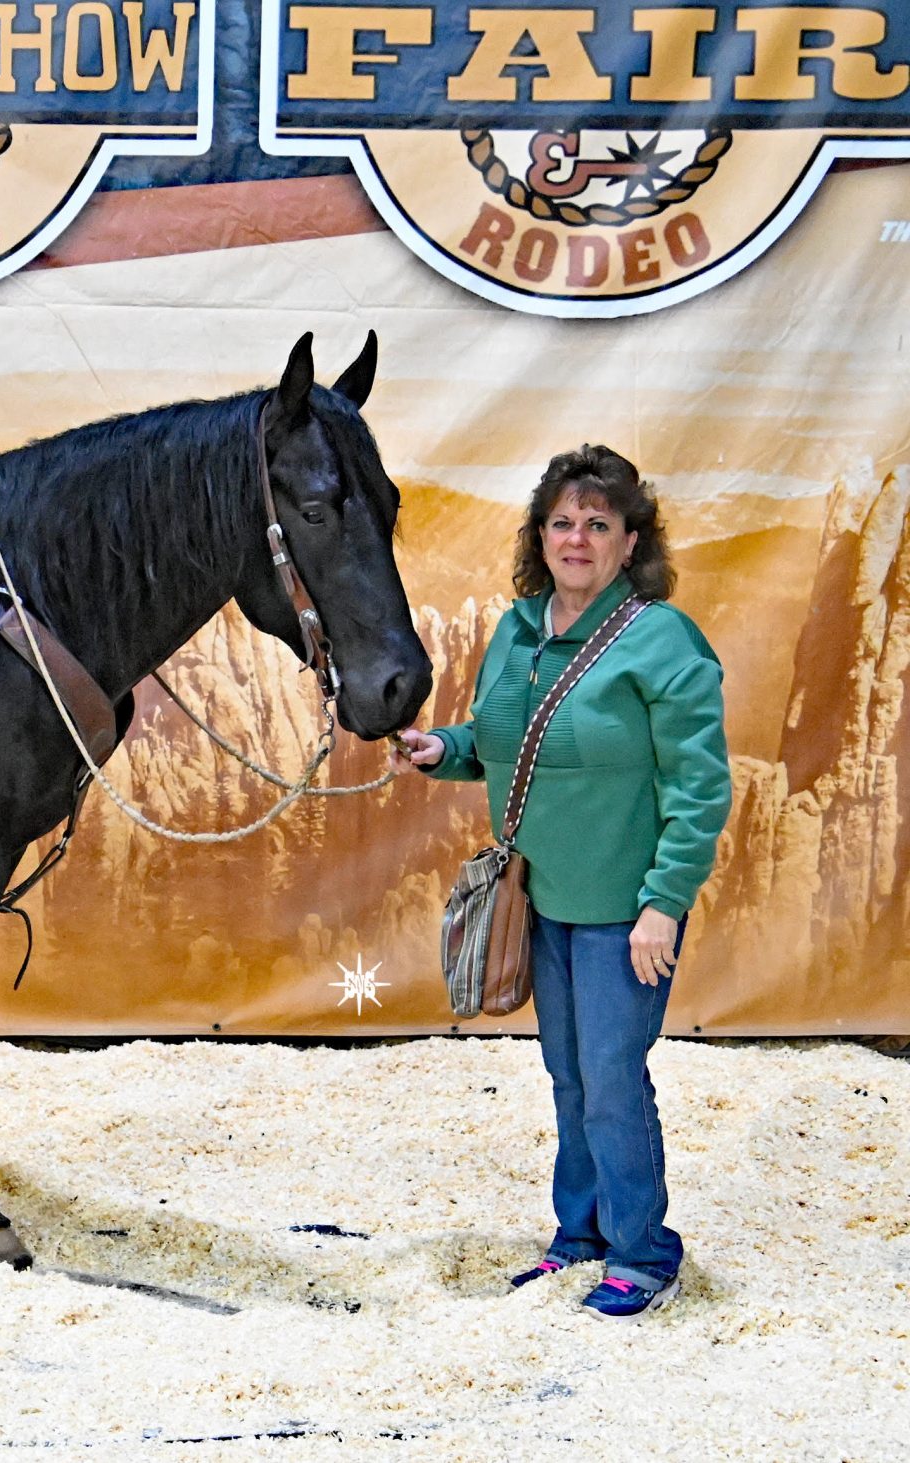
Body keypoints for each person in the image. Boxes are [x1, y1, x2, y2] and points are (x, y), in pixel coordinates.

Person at [394, 444, 731, 1321]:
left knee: (613, 1080)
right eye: (562, 522)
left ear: (631, 543)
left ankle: (644, 1253)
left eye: (598, 523)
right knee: (569, 1077)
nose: (577, 538)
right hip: (541, 898)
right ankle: (578, 1235)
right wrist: (442, 749)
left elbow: (700, 789)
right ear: (539, 536)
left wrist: (664, 903)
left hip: (627, 912)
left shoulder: (664, 641)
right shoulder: (518, 629)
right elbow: (500, 738)